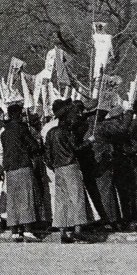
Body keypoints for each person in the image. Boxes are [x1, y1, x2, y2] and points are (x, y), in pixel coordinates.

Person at [45, 100, 91, 243]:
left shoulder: (51, 133)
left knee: (61, 200)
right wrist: (89, 142)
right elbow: (76, 148)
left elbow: (47, 155)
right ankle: (77, 231)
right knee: (76, 198)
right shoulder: (67, 132)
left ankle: (63, 232)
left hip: (58, 168)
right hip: (70, 166)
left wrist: (54, 166)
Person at [0, 102, 41, 241]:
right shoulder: (22, 129)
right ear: (16, 114)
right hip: (22, 165)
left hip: (9, 168)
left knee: (12, 200)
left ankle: (15, 231)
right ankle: (28, 230)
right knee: (26, 198)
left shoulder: (4, 132)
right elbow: (34, 146)